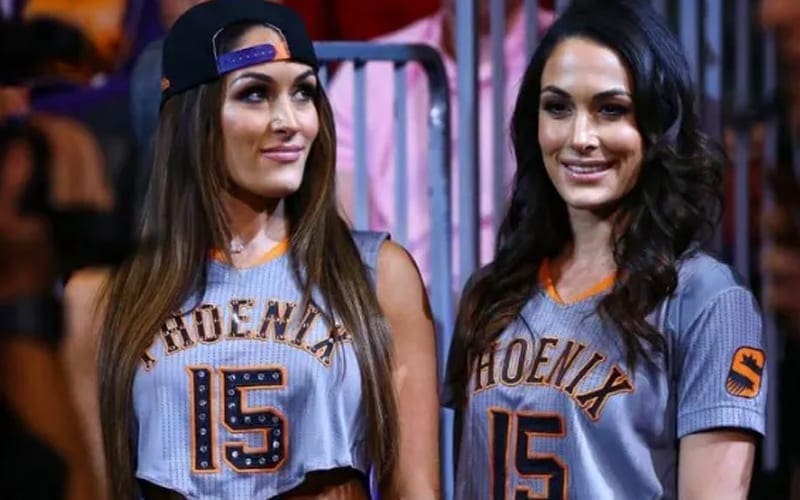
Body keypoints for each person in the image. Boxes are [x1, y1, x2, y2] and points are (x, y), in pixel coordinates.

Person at [68, 1, 440, 498]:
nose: (290, 121)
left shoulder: (378, 276)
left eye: (304, 93)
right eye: (256, 94)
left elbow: (415, 489)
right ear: (193, 115)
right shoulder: (102, 297)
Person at [445, 0, 766, 498]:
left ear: (657, 125)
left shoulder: (709, 301)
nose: (580, 137)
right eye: (557, 107)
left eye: (611, 110)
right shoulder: (490, 292)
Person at [327, 0, 554, 283]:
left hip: (528, 296)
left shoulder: (570, 57)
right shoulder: (368, 71)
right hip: (395, 300)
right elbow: (344, 240)